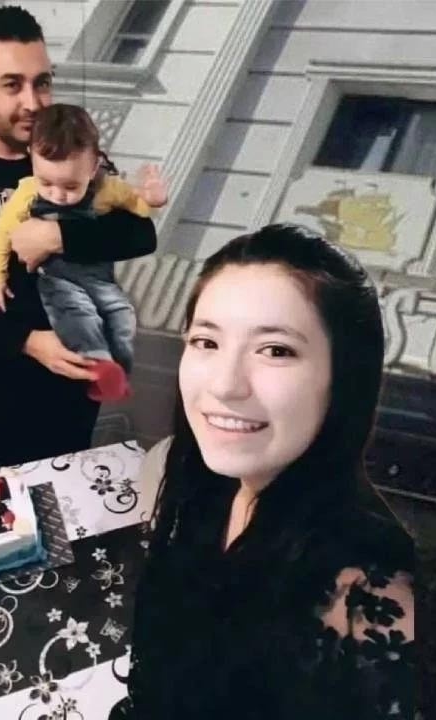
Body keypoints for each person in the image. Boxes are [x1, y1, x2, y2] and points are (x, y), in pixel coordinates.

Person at [112, 225, 416, 719]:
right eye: (206, 341)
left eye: (275, 350)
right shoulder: (204, 492)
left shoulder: (371, 579)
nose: (225, 385)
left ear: (344, 378)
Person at [0, 6, 156, 488]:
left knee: (63, 505)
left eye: (42, 83)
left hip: (67, 384)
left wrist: (57, 235)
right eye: (12, 85)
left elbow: (140, 234)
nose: (33, 102)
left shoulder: (71, 151)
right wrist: (28, 341)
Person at [0, 103, 167, 401]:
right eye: (46, 182)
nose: (57, 195)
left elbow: (139, 217)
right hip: (57, 279)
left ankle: (118, 371)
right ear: (31, 159)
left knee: (122, 315)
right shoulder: (27, 193)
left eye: (70, 186)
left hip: (99, 277)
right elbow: (1, 235)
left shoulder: (108, 188)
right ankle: (98, 365)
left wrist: (152, 200)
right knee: (78, 314)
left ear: (93, 168)